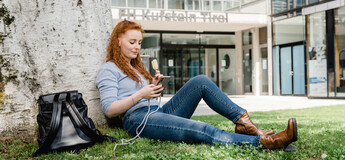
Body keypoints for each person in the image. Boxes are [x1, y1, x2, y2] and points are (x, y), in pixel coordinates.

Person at [96, 20, 297, 150]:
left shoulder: (137, 67)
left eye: (139, 42)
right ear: (118, 41)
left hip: (159, 112)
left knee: (200, 80)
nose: (137, 47)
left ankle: (245, 123)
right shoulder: (109, 69)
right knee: (201, 128)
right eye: (132, 42)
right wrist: (141, 94)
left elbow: (146, 96)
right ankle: (265, 142)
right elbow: (110, 110)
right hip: (137, 120)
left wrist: (153, 86)